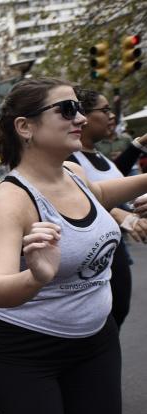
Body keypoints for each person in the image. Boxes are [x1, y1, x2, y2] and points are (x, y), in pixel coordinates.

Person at [0, 77, 147, 414]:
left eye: (79, 107)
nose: (79, 116)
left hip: (94, 341)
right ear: (25, 127)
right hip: (21, 352)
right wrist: (36, 277)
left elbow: (103, 194)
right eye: (66, 108)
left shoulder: (71, 171)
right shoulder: (12, 199)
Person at [68, 88, 147, 328]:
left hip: (115, 246)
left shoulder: (95, 154)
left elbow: (112, 179)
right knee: (106, 321)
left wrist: (139, 144)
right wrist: (123, 216)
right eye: (104, 110)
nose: (111, 116)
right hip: (96, 252)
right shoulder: (68, 160)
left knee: (116, 315)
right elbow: (80, 193)